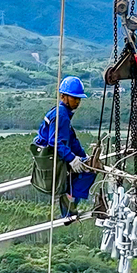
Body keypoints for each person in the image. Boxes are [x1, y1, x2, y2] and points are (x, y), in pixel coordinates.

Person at [33, 76, 96, 216]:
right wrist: (72, 159)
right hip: (52, 158)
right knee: (89, 171)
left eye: (79, 99)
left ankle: (69, 204)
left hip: (52, 155)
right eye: (74, 98)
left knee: (88, 165)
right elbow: (54, 142)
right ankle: (69, 203)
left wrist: (82, 156)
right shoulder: (61, 114)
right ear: (63, 96)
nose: (77, 102)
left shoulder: (61, 112)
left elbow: (71, 139)